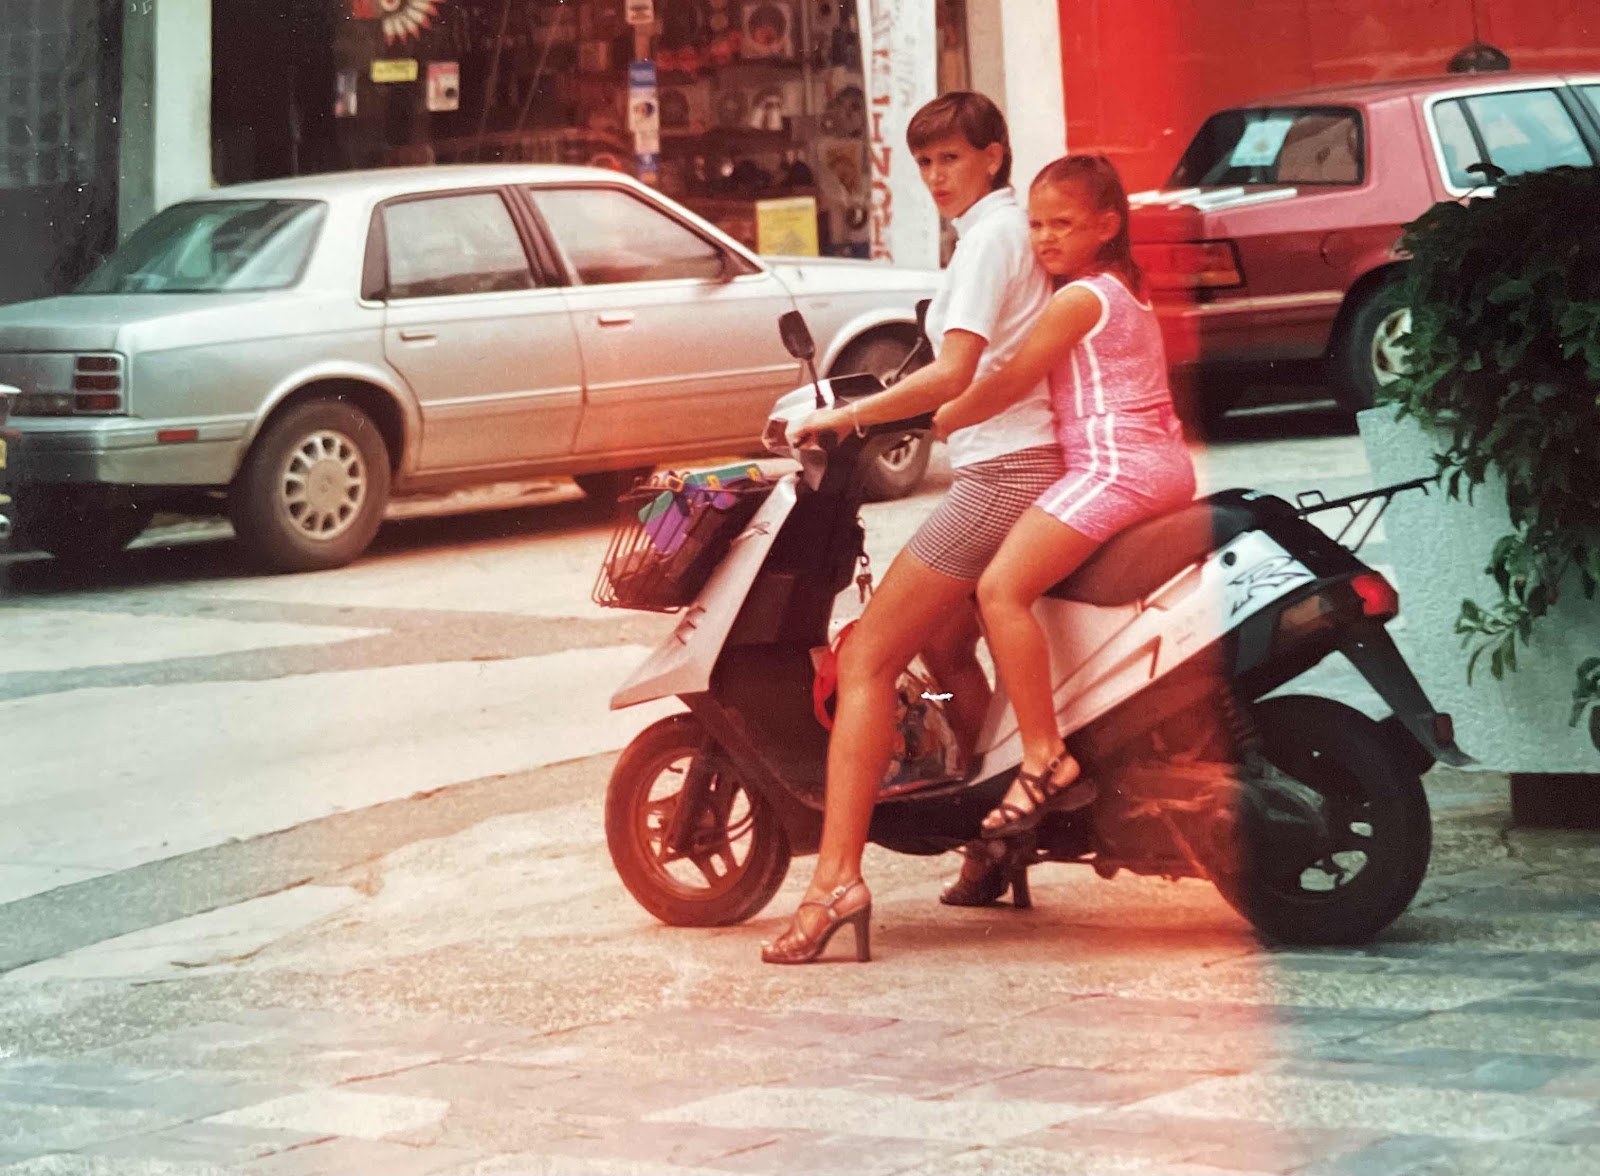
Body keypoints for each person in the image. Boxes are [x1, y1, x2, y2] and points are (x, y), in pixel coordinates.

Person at [760, 91, 1063, 965]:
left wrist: (847, 420)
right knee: (945, 643)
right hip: (1018, 464)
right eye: (924, 162)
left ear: (993, 158)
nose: (935, 176)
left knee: (866, 659)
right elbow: (962, 370)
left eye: (951, 159)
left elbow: (955, 370)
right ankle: (993, 836)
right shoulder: (997, 234)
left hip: (1005, 474)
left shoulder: (990, 239)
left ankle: (834, 883)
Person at [931, 154, 1197, 839]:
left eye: (1063, 224)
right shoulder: (1120, 287)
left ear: (1106, 226)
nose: (1045, 238)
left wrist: (941, 416)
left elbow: (1014, 377)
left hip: (1117, 469)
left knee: (999, 591)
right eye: (1037, 224)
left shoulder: (1080, 300)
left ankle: (1044, 755)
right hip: (1152, 462)